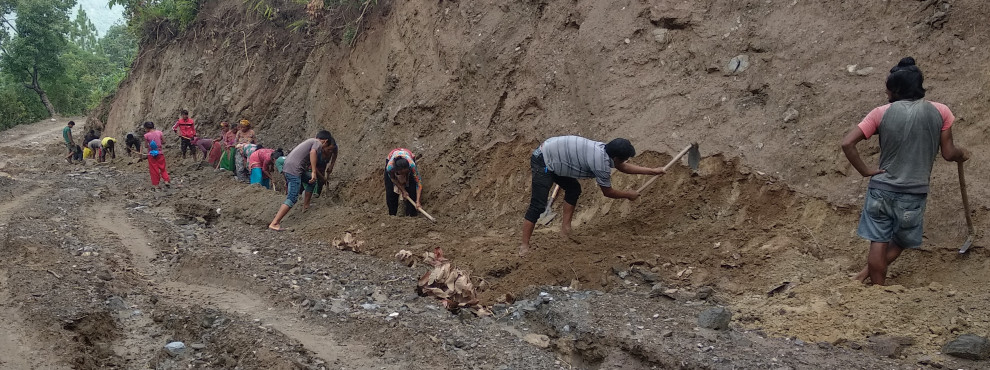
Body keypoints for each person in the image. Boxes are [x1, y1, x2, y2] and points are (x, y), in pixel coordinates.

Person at [842, 57, 969, 286]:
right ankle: (868, 279)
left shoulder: (880, 113)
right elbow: (949, 154)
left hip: (881, 188)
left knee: (878, 241)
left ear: (897, 90)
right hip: (914, 191)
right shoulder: (941, 112)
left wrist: (865, 171)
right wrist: (962, 154)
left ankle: (876, 289)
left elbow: (847, 143)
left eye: (888, 90)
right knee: (900, 241)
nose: (887, 95)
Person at [519, 136, 667, 256]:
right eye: (624, 158)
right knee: (538, 205)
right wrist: (628, 194)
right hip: (543, 161)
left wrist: (652, 171)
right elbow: (607, 192)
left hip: (555, 156)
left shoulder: (605, 150)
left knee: (573, 189)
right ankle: (524, 246)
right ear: (615, 158)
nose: (625, 161)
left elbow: (623, 166)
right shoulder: (600, 163)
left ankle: (565, 230)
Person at [268, 130, 335, 231]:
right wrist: (313, 171)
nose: (324, 151)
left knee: (311, 181)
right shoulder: (317, 143)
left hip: (292, 167)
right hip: (294, 169)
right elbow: (313, 152)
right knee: (293, 197)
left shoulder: (310, 141)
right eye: (326, 149)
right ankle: (275, 223)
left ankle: (306, 206)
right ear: (325, 141)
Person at [384, 148, 422, 217]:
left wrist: (418, 201)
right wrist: (403, 190)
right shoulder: (390, 167)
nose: (404, 175)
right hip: (391, 157)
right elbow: (393, 179)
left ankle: (411, 214)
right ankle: (392, 215)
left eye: (406, 173)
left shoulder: (412, 165)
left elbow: (418, 183)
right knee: (390, 191)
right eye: (402, 173)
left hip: (409, 157)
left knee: (412, 188)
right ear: (396, 170)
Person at [142, 121, 171, 189]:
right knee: (162, 168)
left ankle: (156, 185)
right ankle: (166, 180)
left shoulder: (146, 135)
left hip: (151, 154)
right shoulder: (160, 133)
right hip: (160, 153)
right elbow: (164, 141)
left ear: (146, 128)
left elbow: (146, 146)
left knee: (154, 170)